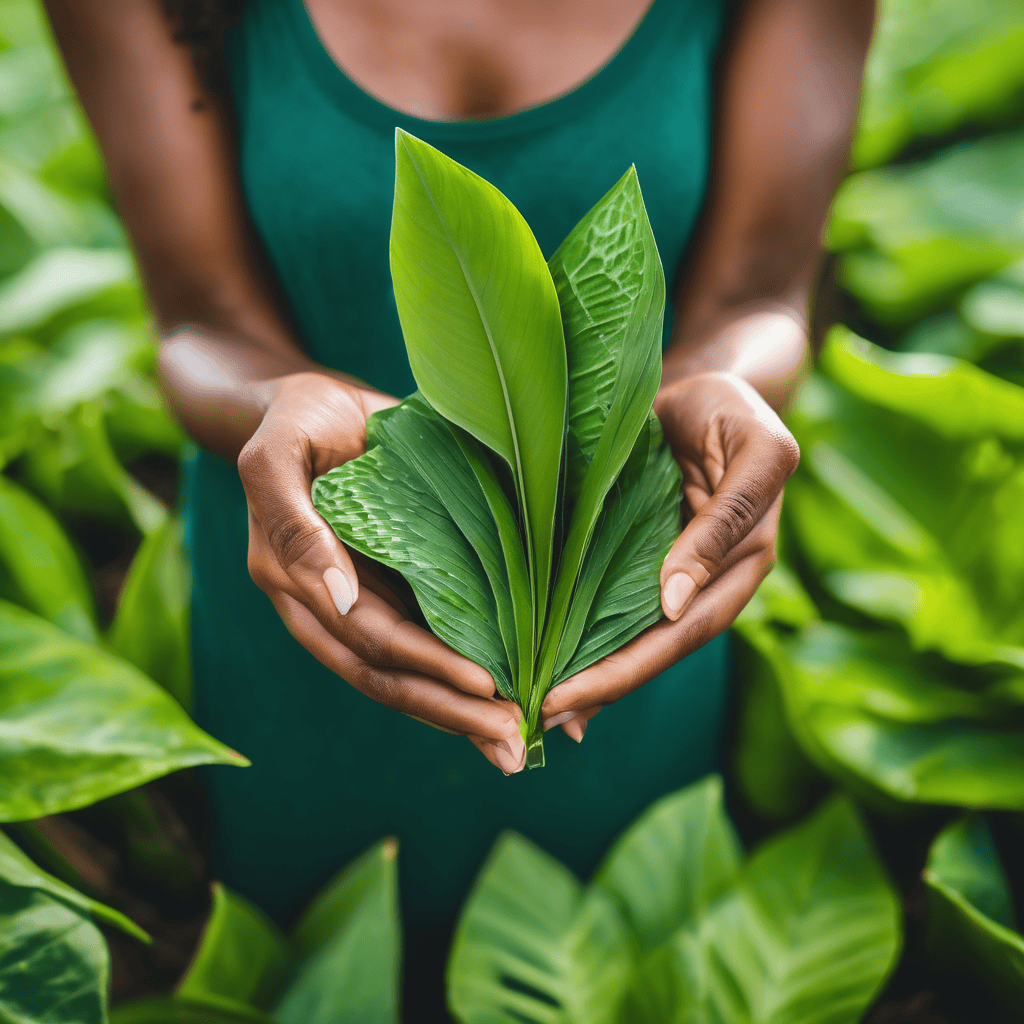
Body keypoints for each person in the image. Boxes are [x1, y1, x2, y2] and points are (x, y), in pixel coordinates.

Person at [45, 0, 874, 1017]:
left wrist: (724, 385)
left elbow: (758, 293)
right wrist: (276, 401)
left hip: (627, 596)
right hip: (315, 599)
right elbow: (198, 314)